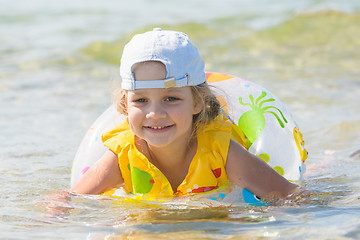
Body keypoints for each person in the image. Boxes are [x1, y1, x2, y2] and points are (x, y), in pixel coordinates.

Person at [70, 28, 299, 201]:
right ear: (125, 103)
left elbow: (292, 198)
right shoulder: (123, 156)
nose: (155, 113)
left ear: (197, 102)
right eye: (141, 100)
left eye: (171, 98)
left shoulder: (221, 152)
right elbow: (71, 200)